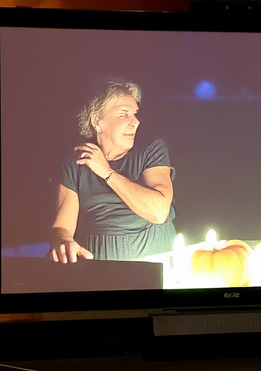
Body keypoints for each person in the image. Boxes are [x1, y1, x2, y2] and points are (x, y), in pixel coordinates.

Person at [48, 79, 176, 263]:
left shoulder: (151, 149)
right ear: (97, 122)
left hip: (155, 250)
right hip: (102, 257)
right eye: (124, 114)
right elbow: (61, 226)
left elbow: (159, 212)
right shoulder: (74, 162)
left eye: (134, 114)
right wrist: (64, 241)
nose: (135, 122)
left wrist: (106, 172)